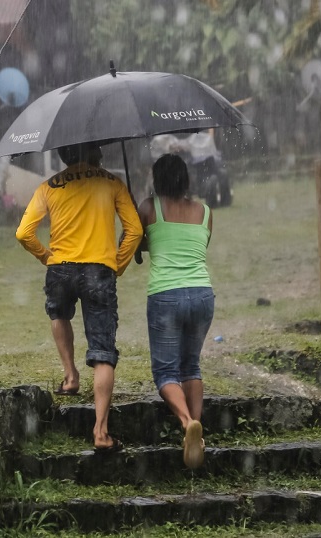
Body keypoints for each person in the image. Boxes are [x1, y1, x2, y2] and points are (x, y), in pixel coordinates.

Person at [16, 142, 143, 452]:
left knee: (58, 314)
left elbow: (23, 232)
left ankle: (70, 375)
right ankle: (101, 432)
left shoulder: (49, 186)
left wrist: (47, 257)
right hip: (99, 269)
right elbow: (135, 230)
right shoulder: (112, 182)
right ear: (94, 152)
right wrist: (118, 264)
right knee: (102, 351)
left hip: (60, 268)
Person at [137, 153, 214, 469]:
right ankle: (197, 429)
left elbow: (135, 242)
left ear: (157, 180)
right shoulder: (205, 211)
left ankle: (185, 423)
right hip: (202, 294)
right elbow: (196, 247)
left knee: (165, 371)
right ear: (186, 179)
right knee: (190, 366)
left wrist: (144, 245)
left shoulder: (147, 207)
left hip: (166, 295)